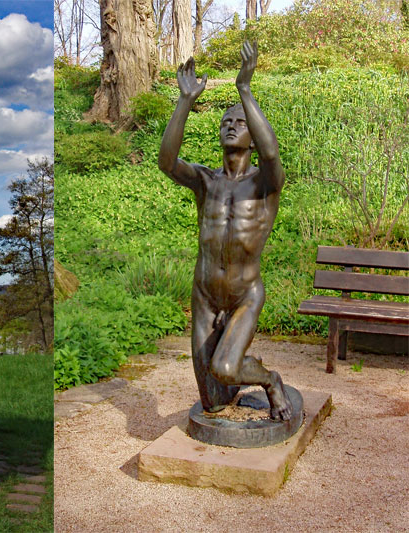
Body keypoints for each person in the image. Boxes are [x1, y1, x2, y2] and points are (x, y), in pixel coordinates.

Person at [158, 41, 291, 420]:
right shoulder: (206, 181)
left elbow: (271, 154)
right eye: (225, 123)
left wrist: (243, 89)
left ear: (252, 133)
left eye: (240, 123)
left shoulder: (265, 184)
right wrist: (185, 101)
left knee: (226, 370)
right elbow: (167, 162)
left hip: (243, 295)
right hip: (204, 296)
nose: (231, 127)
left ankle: (269, 380)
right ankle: (230, 358)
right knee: (215, 401)